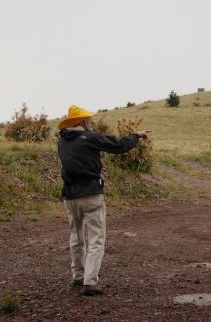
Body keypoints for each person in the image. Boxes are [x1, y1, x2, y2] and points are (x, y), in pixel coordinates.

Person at [57, 105, 150, 296]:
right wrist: (136, 136)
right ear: (81, 121)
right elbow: (119, 145)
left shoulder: (61, 141)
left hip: (70, 196)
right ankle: (90, 282)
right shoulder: (89, 138)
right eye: (88, 119)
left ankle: (78, 276)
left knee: (76, 236)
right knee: (96, 238)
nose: (90, 122)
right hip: (91, 194)